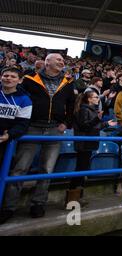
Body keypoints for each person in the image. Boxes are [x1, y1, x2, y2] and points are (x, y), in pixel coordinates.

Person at [0, 53, 75, 222]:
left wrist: (66, 123)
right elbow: (17, 97)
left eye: (63, 61)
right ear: (47, 62)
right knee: (20, 168)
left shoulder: (68, 82)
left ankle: (38, 203)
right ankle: (8, 207)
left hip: (55, 129)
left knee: (47, 169)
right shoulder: (29, 79)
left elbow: (72, 104)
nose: (62, 62)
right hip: (31, 128)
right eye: (59, 60)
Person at [66, 91, 117, 206]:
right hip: (84, 143)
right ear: (89, 99)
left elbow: (95, 127)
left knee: (83, 169)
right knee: (80, 169)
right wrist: (98, 119)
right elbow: (85, 126)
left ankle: (77, 197)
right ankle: (73, 199)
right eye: (95, 97)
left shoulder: (90, 110)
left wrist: (106, 124)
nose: (97, 99)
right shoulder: (84, 110)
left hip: (88, 143)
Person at [0, 67, 32, 173]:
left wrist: (9, 134)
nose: (8, 78)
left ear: (20, 80)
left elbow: (23, 123)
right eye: (5, 76)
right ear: (1, 78)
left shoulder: (25, 99)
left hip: (4, 142)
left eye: (13, 76)